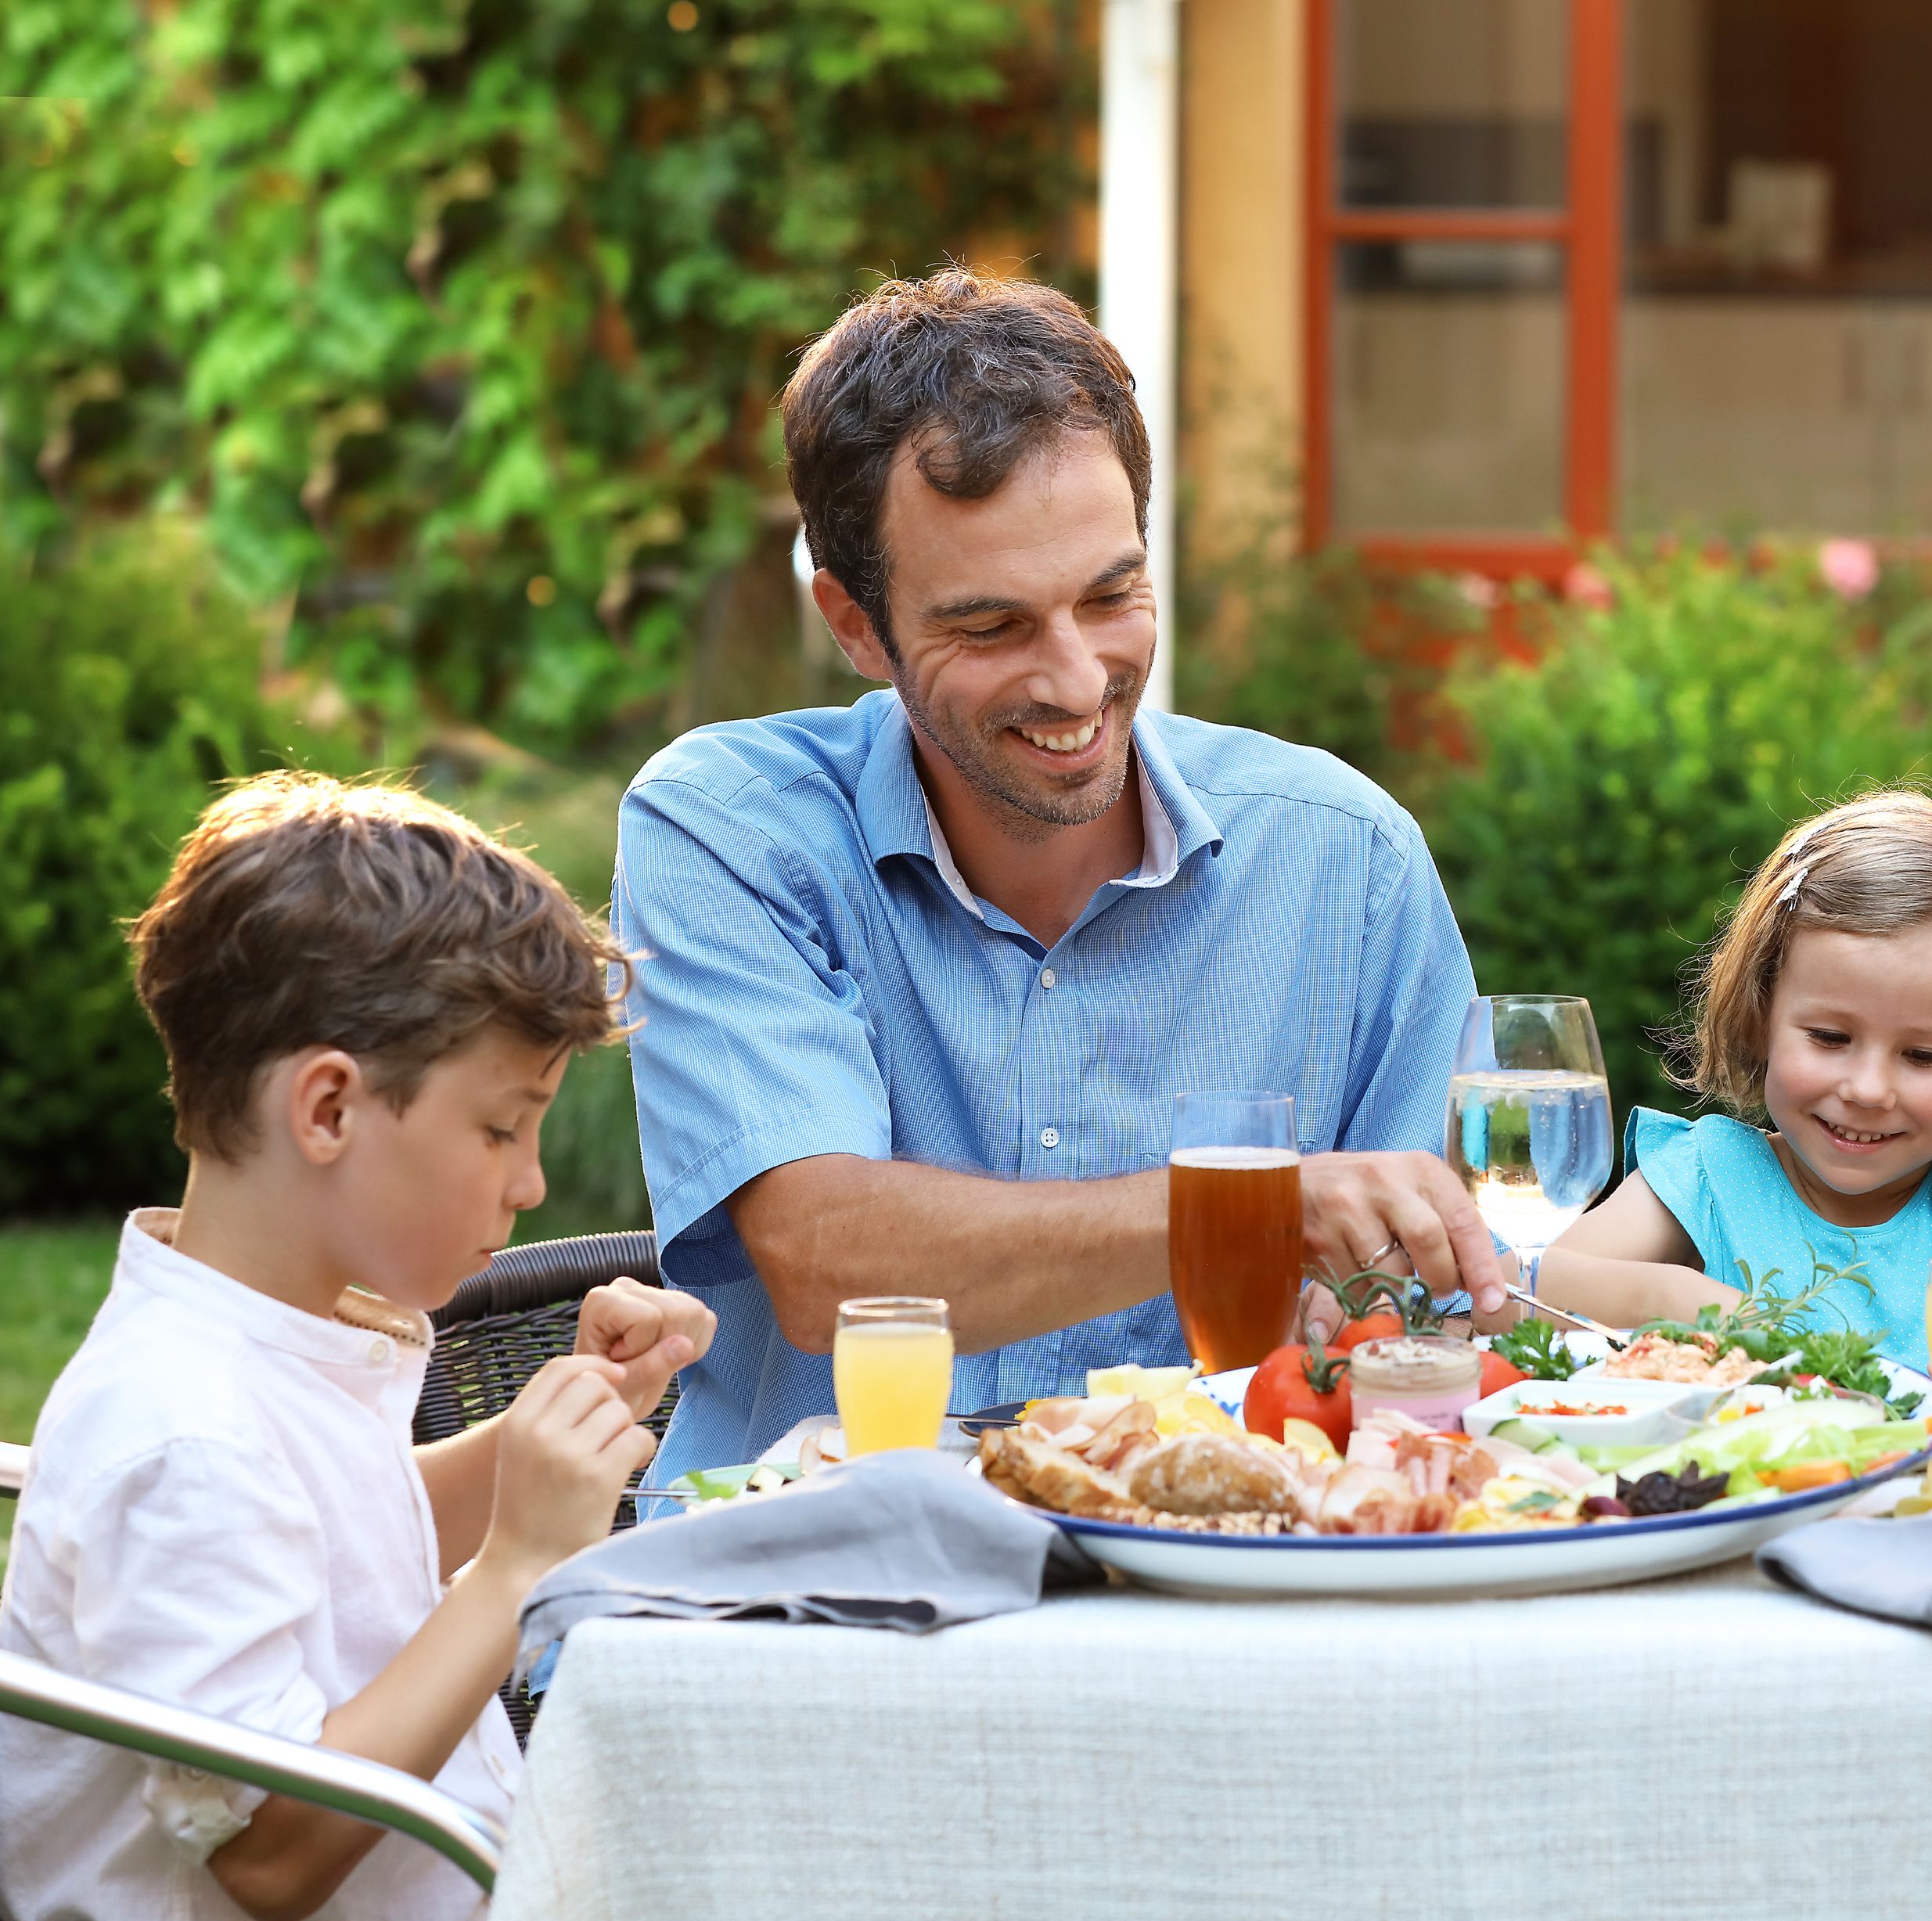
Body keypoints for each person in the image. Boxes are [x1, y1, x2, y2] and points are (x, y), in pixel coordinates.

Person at [614, 268, 1504, 1482]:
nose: (1079, 679)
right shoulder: (728, 827)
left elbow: (1426, 1320)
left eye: (1112, 594)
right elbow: (829, 1264)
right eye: (992, 627)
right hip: (815, 1592)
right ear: (855, 625)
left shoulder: (1348, 862)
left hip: (1208, 1591)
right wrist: (1246, 1210)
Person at [0, 775, 712, 1921]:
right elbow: (270, 1855)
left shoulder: (277, 1338)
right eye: (502, 1129)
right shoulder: (179, 1430)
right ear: (328, 1107)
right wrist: (514, 1570)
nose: (534, 1183)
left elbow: (350, 1528)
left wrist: (563, 1419)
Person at [1536, 790, 1932, 1358]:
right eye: (1831, 1038)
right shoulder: (1712, 1177)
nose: (1866, 1089)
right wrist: (1664, 1293)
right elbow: (1516, 1287)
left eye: (1922, 1056)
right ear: (1760, 1016)